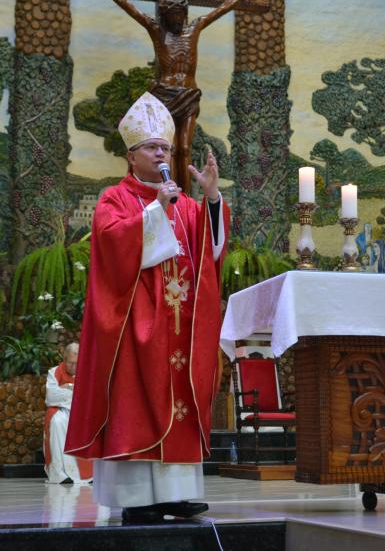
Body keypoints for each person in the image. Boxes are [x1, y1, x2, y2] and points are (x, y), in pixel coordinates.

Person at [65, 92, 229, 523]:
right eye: (154, 148)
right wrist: (155, 211)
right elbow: (110, 244)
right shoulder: (114, 198)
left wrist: (211, 201)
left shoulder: (187, 205)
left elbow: (210, 252)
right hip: (134, 327)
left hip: (181, 325)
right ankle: (137, 498)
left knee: (179, 402)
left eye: (167, 149)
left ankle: (176, 493)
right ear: (131, 154)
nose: (162, 155)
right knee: (137, 402)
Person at [84, 0, 258, 192]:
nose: (177, 21)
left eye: (180, 16)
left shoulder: (194, 28)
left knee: (185, 148)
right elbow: (127, 5)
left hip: (188, 95)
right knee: (167, 147)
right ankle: (169, 193)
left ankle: (184, 199)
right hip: (164, 94)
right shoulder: (157, 31)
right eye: (172, 17)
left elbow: (222, 8)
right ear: (165, 16)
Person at [44, 343, 93, 484]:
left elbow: (89, 396)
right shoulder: (54, 372)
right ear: (64, 359)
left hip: (82, 412)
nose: (74, 367)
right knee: (57, 422)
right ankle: (60, 473)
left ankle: (88, 474)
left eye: (77, 363)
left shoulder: (88, 372)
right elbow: (51, 397)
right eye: (71, 363)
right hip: (60, 411)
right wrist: (75, 392)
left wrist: (68, 387)